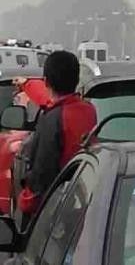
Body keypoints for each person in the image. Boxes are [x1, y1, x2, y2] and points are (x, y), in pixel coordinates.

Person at [16, 50, 97, 215]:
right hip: (87, 199)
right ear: (76, 80)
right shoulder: (89, 110)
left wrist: (24, 203)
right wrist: (27, 84)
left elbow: (42, 174)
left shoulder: (53, 119)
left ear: (46, 81)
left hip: (57, 210)